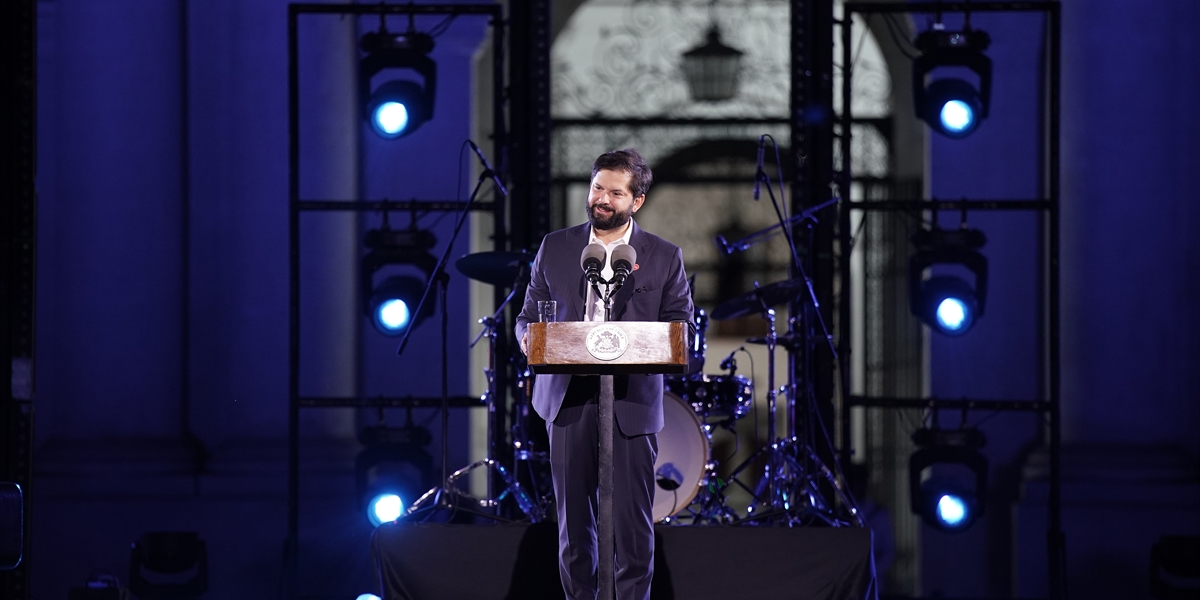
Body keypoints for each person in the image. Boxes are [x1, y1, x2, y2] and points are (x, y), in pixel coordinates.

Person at [515, 148, 694, 600]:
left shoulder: (664, 256)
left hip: (631, 402)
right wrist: (530, 341)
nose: (602, 199)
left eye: (615, 192)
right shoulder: (554, 247)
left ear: (637, 201)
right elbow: (527, 316)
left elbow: (680, 326)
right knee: (575, 528)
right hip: (568, 398)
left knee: (633, 528)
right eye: (598, 187)